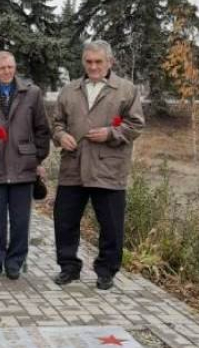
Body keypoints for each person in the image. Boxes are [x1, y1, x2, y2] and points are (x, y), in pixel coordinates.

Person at [51, 40, 144, 291]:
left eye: (98, 62)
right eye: (89, 61)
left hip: (108, 168)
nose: (93, 66)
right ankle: (69, 267)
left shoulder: (126, 90)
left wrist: (111, 133)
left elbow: (135, 125)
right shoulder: (69, 90)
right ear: (83, 62)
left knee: (111, 225)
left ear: (109, 62)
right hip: (73, 167)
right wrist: (61, 136)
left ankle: (106, 271)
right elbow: (57, 123)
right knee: (65, 221)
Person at [0, 51, 50, 279]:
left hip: (24, 167)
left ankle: (14, 262)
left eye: (11, 67)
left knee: (20, 219)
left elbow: (42, 129)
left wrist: (37, 159)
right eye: (2, 68)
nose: (7, 71)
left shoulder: (31, 93)